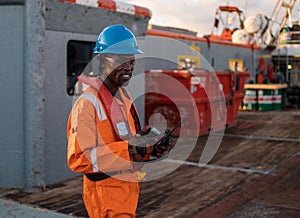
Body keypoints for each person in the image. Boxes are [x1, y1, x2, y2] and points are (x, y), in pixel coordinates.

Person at [67, 24, 173, 218]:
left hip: (127, 188)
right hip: (106, 193)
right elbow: (79, 158)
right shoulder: (87, 104)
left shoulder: (123, 97)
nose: (128, 66)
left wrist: (150, 145)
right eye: (120, 60)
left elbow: (128, 139)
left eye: (131, 60)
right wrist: (132, 149)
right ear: (100, 60)